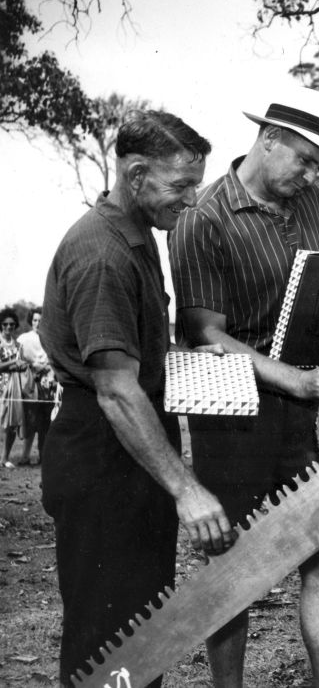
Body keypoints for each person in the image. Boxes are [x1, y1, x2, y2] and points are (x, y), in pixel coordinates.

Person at [169, 86, 319, 688]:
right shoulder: (203, 219)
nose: (310, 175)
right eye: (304, 158)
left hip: (311, 403)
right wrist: (295, 382)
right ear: (269, 139)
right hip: (231, 411)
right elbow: (207, 335)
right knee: (232, 571)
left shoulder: (314, 201)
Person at [39, 111, 234, 688]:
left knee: (137, 634)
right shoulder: (103, 254)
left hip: (128, 452)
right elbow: (117, 391)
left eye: (196, 185)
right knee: (106, 642)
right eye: (181, 186)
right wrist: (187, 490)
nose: (193, 200)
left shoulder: (137, 235)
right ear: (137, 173)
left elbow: (139, 362)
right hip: (102, 452)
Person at [17, 308, 54, 464]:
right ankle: (25, 456)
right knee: (31, 420)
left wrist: (47, 366)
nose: (38, 323)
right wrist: (32, 365)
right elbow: (19, 360)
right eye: (35, 320)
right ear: (31, 321)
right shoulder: (24, 338)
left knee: (46, 421)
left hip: (48, 383)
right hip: (31, 383)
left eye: (40, 320)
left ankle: (43, 456)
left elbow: (55, 359)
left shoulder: (51, 339)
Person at [0, 308, 28, 468]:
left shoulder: (18, 345)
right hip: (1, 385)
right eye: (5, 324)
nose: (9, 327)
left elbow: (23, 364)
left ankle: (5, 457)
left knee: (11, 424)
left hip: (14, 387)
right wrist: (12, 363)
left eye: (11, 324)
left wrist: (22, 365)